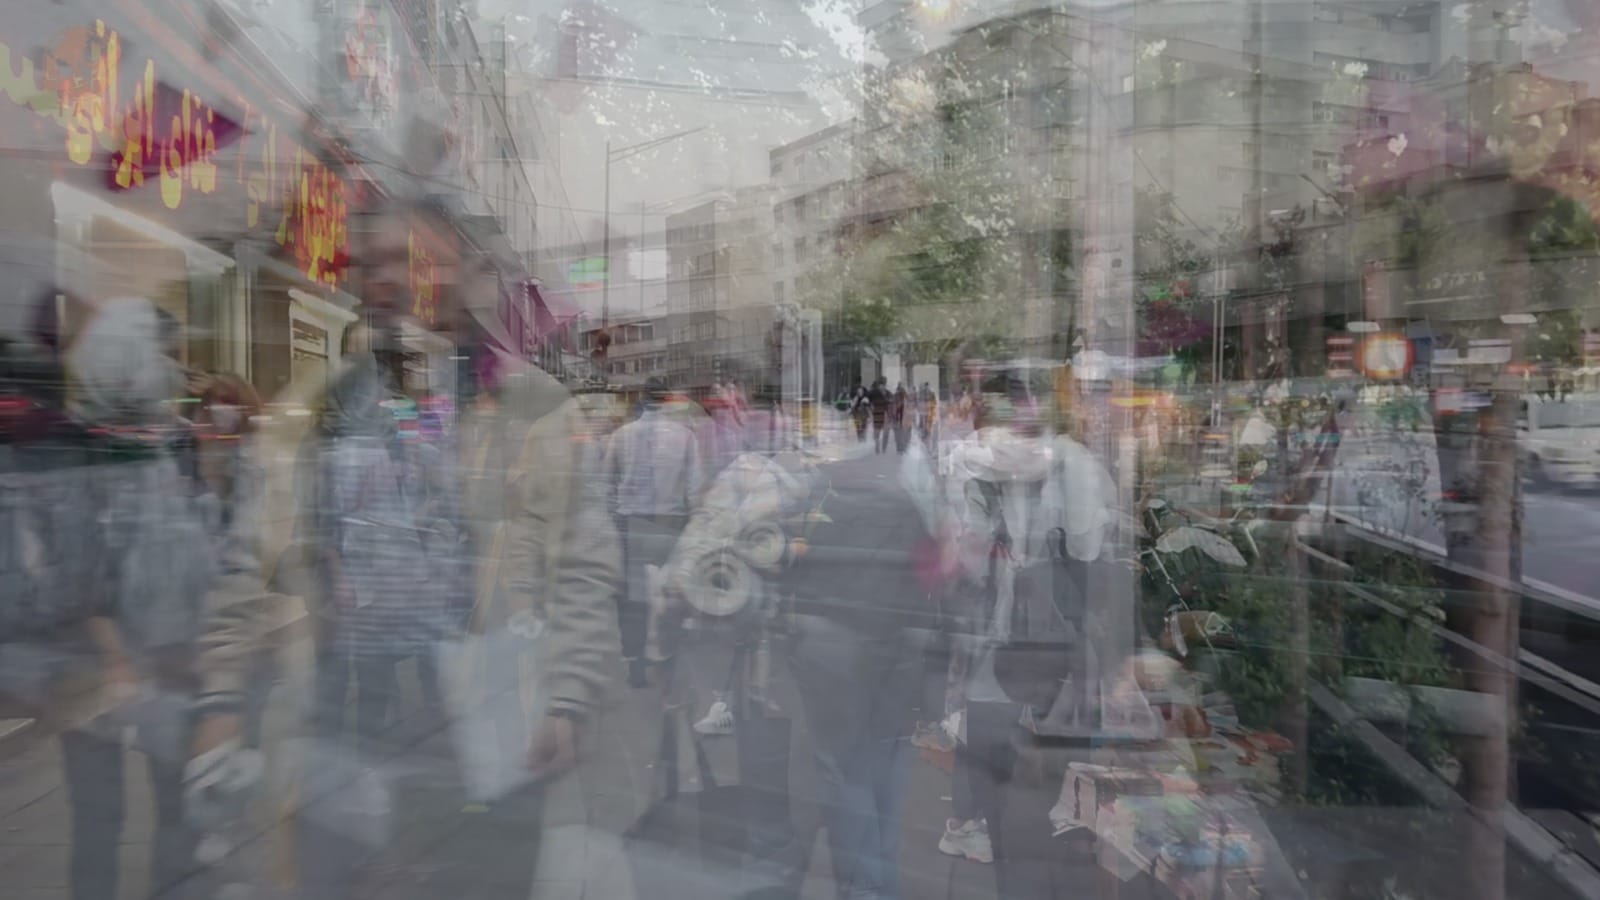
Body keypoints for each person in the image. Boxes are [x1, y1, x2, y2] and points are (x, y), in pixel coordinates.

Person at [603, 375, 705, 688]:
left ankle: (635, 662)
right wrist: (695, 521)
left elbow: (606, 483)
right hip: (669, 521)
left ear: (642, 399)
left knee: (632, 596)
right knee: (671, 593)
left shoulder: (621, 436)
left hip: (631, 521)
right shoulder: (686, 436)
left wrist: (613, 517)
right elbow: (695, 487)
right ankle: (666, 655)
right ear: (666, 400)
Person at [868, 377, 892, 454]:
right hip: (877, 413)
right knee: (877, 431)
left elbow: (892, 402)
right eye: (881, 384)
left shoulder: (888, 393)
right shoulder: (873, 392)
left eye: (883, 384)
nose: (882, 386)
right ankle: (877, 444)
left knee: (886, 432)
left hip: (885, 414)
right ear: (879, 385)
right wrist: (870, 410)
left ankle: (883, 448)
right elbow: (867, 401)